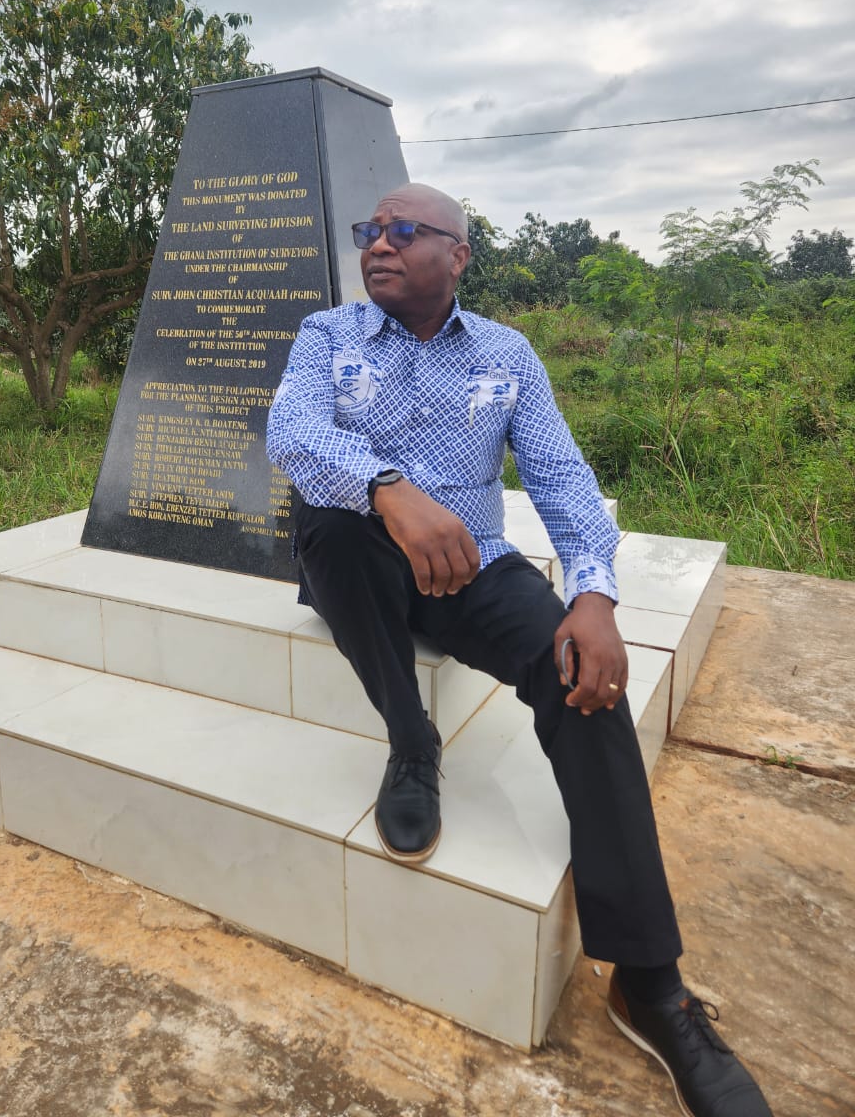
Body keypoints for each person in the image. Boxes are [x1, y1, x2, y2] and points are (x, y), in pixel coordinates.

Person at [266, 182, 771, 1117]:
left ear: (458, 256)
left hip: (472, 569)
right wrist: (389, 488)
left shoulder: (507, 354)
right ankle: (413, 743)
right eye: (369, 231)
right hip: (360, 561)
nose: (378, 245)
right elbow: (292, 433)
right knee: (327, 525)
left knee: (584, 675)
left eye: (404, 231)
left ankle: (650, 983)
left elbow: (563, 476)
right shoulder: (327, 333)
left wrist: (594, 595)